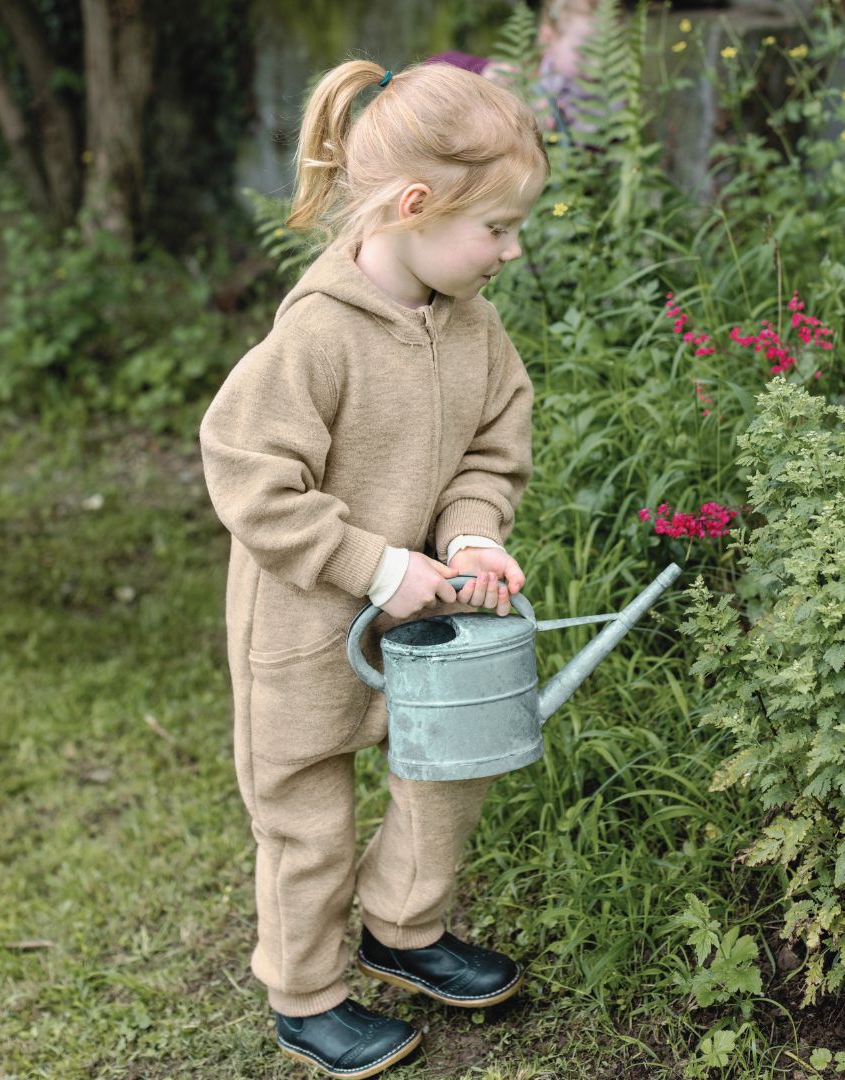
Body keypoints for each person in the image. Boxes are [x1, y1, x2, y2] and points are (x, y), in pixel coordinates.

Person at [200, 58, 548, 1079]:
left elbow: (489, 448)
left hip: (423, 621)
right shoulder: (315, 338)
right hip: (306, 627)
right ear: (415, 206)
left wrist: (474, 535)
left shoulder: (477, 329)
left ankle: (403, 927)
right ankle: (305, 995)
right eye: (498, 227)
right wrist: (369, 563)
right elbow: (249, 476)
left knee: (444, 773)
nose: (512, 250)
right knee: (305, 816)